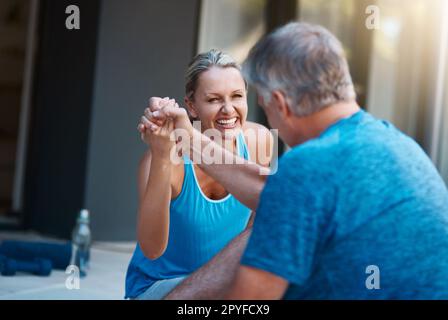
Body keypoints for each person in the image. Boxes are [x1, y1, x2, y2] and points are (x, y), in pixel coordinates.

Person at [144, 22, 448, 299]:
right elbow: (272, 194)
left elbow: (250, 301)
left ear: (280, 103)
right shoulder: (397, 144)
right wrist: (187, 135)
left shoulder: (308, 167)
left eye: (261, 104)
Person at [125, 49, 273, 300]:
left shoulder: (260, 141)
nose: (228, 110)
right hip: (159, 290)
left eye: (237, 96)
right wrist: (162, 154)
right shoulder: (161, 161)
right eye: (214, 99)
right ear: (191, 106)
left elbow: (256, 229)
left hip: (222, 286)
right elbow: (151, 249)